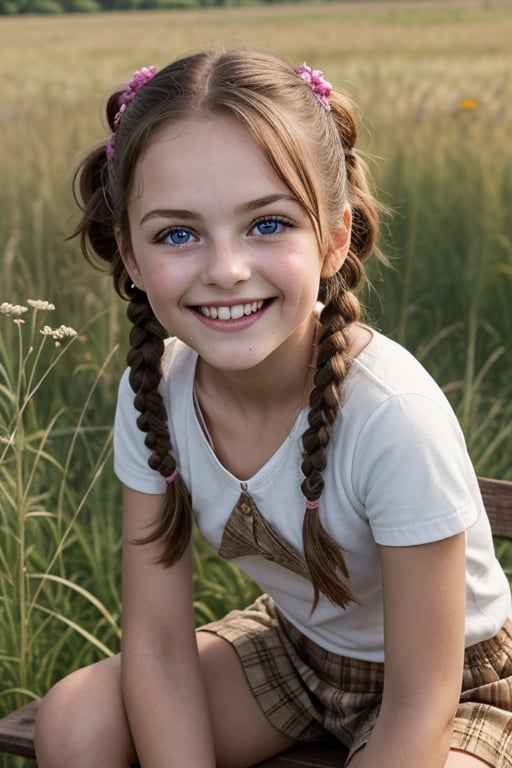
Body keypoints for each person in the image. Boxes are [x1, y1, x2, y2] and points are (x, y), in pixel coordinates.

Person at [34, 49, 512, 768]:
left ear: (335, 236)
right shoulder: (155, 395)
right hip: (300, 651)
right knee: (78, 721)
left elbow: (422, 700)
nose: (225, 269)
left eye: (267, 225)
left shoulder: (391, 415)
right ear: (130, 256)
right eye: (177, 233)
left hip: (461, 682)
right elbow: (158, 651)